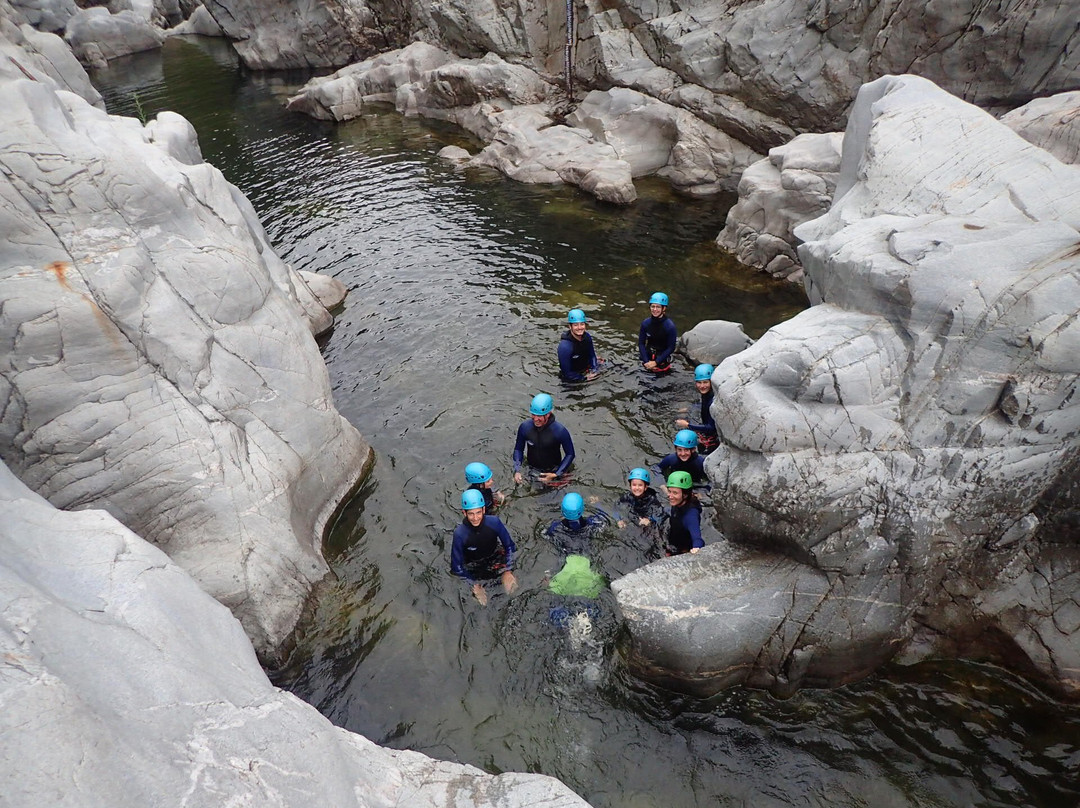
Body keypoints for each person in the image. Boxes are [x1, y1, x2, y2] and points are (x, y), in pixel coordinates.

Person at [450, 489, 518, 605]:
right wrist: (473, 583)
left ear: (484, 510)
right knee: (482, 604)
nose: (475, 518)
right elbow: (457, 568)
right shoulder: (460, 534)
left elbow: (510, 547)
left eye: (478, 513)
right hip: (475, 567)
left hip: (495, 558)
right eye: (471, 514)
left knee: (512, 589)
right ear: (464, 513)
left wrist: (508, 568)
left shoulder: (494, 522)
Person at [513, 393, 575, 485]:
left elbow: (570, 454)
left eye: (539, 416)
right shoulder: (525, 427)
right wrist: (517, 470)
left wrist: (556, 474)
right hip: (532, 468)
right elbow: (518, 449)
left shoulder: (559, 431)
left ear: (548, 414)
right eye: (533, 415)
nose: (536, 419)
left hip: (553, 470)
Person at [546, 492, 610, 556]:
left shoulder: (555, 526)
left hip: (567, 555)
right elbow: (604, 516)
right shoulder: (592, 523)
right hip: (587, 552)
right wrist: (597, 503)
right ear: (582, 508)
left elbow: (546, 535)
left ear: (562, 510)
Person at [675, 363, 719, 454]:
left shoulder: (712, 401)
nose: (702, 386)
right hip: (707, 433)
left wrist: (688, 425)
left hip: (713, 439)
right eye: (699, 382)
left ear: (711, 382)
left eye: (705, 382)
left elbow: (711, 428)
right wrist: (691, 408)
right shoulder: (708, 393)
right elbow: (704, 406)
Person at [663, 471, 704, 555]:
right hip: (672, 537)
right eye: (669, 491)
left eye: (675, 493)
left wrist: (696, 548)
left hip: (682, 548)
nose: (670, 496)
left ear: (685, 495)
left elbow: (697, 539)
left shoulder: (690, 515)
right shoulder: (679, 501)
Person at [558, 309, 601, 382]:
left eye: (582, 324)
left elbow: (592, 356)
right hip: (572, 376)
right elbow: (567, 373)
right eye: (575, 325)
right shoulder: (565, 347)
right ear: (570, 326)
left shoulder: (587, 337)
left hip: (585, 367)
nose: (579, 327)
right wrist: (585, 378)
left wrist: (594, 370)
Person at [638, 292, 677, 372]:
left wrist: (656, 362)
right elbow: (641, 343)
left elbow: (671, 348)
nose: (655, 309)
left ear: (664, 308)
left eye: (658, 307)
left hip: (662, 360)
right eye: (653, 306)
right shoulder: (646, 323)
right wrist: (646, 362)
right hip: (647, 359)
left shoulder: (670, 327)